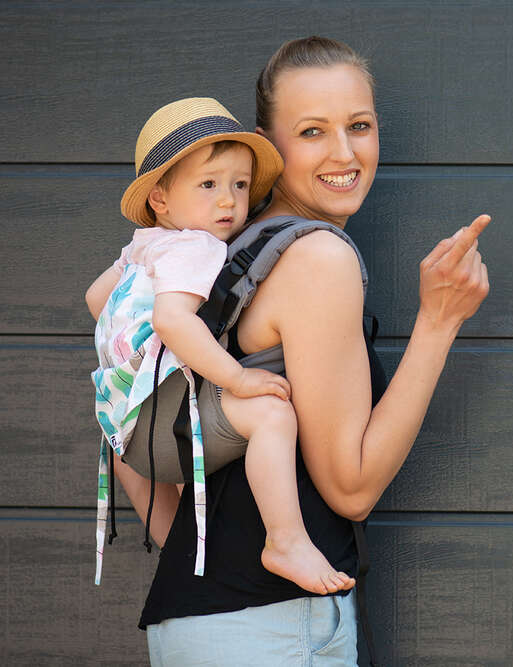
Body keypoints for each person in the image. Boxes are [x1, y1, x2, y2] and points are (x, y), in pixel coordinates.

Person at [107, 37, 491, 665]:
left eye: (359, 126)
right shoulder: (318, 257)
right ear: (269, 144)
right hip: (273, 625)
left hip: (197, 620)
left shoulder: (213, 246)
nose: (344, 153)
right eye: (312, 131)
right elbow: (351, 487)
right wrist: (439, 321)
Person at [86, 97, 356, 596]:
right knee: (271, 415)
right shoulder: (196, 247)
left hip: (128, 436)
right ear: (161, 201)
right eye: (208, 185)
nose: (229, 201)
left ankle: (177, 549)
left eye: (238, 184)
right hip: (166, 428)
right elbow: (172, 320)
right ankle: (285, 541)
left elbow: (96, 298)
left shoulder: (144, 246)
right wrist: (238, 377)